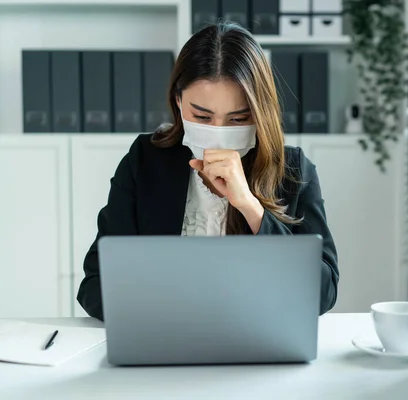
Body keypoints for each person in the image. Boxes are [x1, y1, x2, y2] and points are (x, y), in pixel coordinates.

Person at [77, 23, 339, 320]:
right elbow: (94, 285)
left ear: (260, 112)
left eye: (238, 119)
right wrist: (165, 307)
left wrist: (252, 208)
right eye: (202, 116)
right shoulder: (145, 160)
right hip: (166, 337)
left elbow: (324, 293)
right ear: (178, 101)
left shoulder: (293, 170)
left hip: (259, 346)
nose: (218, 133)